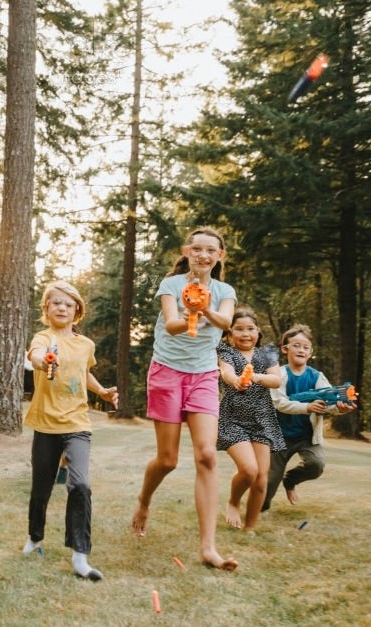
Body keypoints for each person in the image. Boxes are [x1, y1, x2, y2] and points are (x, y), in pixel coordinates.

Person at [130, 226, 239, 570]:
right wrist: (192, 308)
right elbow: (173, 322)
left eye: (211, 251)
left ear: (220, 256)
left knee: (207, 455)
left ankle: (208, 548)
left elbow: (225, 324)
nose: (204, 255)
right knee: (167, 460)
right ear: (187, 251)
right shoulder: (171, 285)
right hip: (166, 371)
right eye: (198, 249)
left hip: (204, 374)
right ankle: (144, 500)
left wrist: (204, 307)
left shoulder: (224, 290)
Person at [22, 281, 117, 581]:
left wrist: (101, 391)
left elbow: (83, 371)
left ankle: (80, 555)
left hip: (77, 423)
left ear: (77, 310)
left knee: (81, 485)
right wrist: (43, 360)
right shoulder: (43, 337)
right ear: (46, 309)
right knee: (41, 488)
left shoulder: (86, 344)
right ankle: (35, 538)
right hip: (46, 423)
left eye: (68, 304)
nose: (62, 307)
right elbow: (35, 356)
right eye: (56, 303)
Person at [261, 324, 356, 512]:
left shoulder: (317, 376)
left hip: (307, 436)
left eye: (306, 347)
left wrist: (340, 408)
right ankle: (260, 510)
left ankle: (290, 481)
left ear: (311, 352)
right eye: (296, 345)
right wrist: (307, 407)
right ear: (285, 349)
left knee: (316, 465)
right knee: (270, 479)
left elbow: (328, 400)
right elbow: (280, 403)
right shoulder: (278, 375)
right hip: (279, 437)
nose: (301, 350)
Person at [215, 308, 284, 532]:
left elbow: (276, 380)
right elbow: (225, 373)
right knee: (248, 470)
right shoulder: (225, 352)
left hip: (262, 420)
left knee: (261, 479)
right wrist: (236, 380)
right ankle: (233, 502)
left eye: (250, 329)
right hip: (233, 418)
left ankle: (250, 527)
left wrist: (255, 376)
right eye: (240, 329)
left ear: (258, 331)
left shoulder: (267, 354)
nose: (246, 334)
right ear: (229, 333)